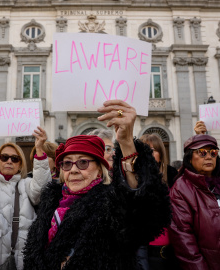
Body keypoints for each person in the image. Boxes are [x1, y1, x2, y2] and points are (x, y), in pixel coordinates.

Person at [23, 100, 171, 270]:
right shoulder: (51, 201)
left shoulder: (110, 203)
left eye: (83, 162)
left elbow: (145, 213)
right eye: (67, 163)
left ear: (100, 170)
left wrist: (127, 143)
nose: (74, 170)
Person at [0, 121, 52, 270]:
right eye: (4, 157)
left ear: (20, 164)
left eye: (15, 159)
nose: (9, 161)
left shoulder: (27, 185)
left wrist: (39, 149)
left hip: (22, 262)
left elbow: (42, 191)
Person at [169, 134, 220, 270]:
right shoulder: (181, 189)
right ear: (189, 158)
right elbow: (184, 241)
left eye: (213, 152)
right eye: (202, 152)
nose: (209, 157)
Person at [136, 133, 179, 270]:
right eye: (144, 149)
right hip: (144, 251)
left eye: (153, 150)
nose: (148, 153)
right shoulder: (133, 180)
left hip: (173, 250)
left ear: (161, 153)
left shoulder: (173, 177)